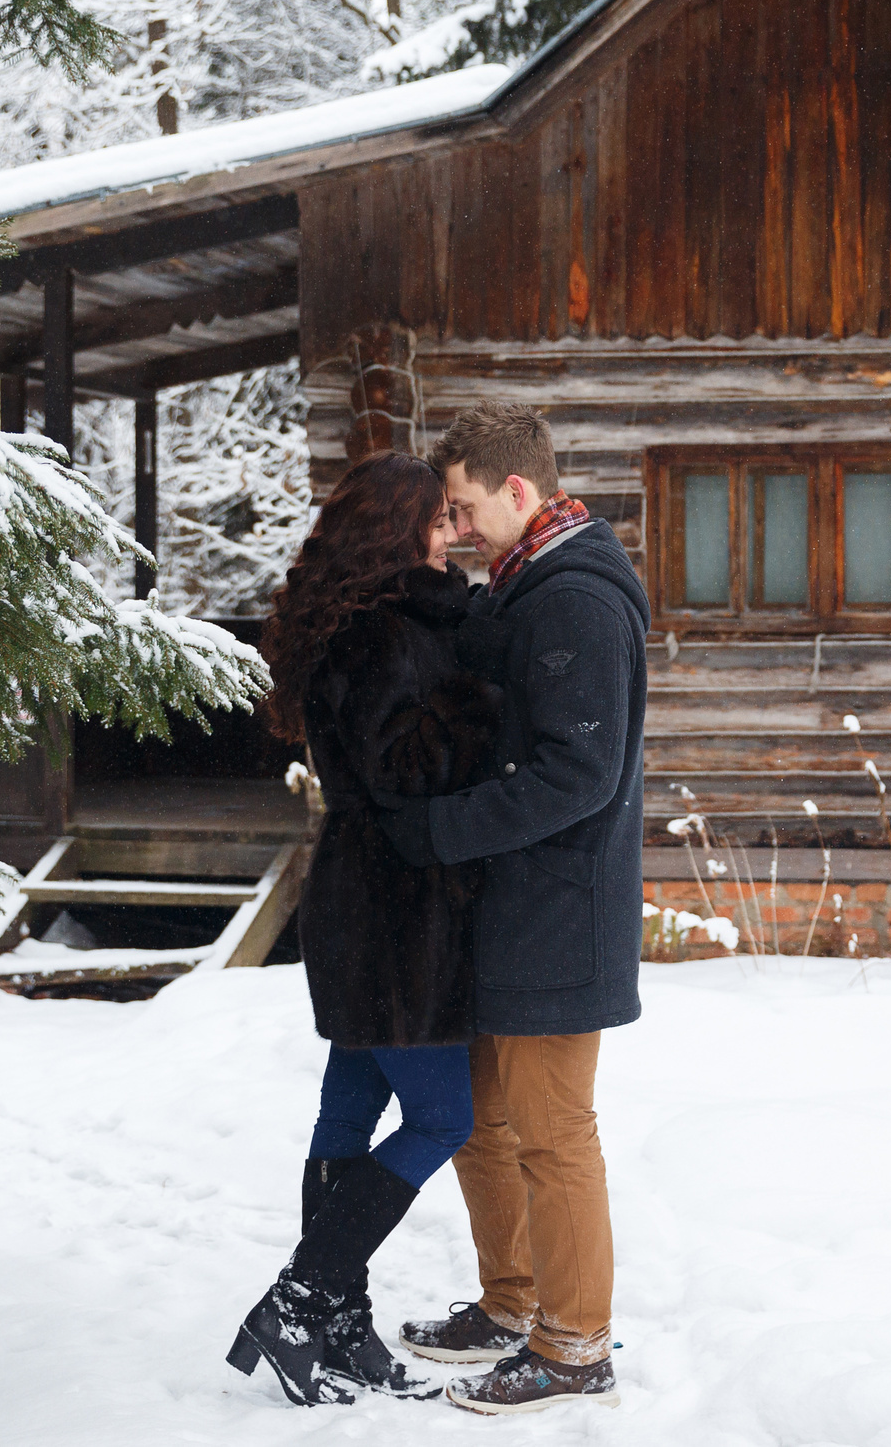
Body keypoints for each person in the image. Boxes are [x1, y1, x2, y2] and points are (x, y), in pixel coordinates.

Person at [375, 404, 649, 1416]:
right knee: (482, 1120)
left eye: (462, 507)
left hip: (558, 912)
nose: (455, 528)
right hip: (508, 906)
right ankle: (512, 1304)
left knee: (551, 1131)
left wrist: (441, 831)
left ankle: (575, 1350)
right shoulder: (524, 582)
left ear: (518, 493)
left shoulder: (575, 598)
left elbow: (579, 773)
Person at [228, 452, 505, 1407]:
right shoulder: (387, 633)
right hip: (397, 910)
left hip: (364, 896)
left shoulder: (365, 623)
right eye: (436, 521)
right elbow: (408, 767)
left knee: (350, 1109)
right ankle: (303, 1299)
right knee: (442, 1116)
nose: (451, 534)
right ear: (398, 530)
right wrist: (480, 692)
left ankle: (337, 1320)